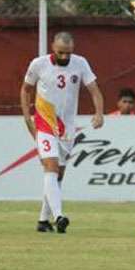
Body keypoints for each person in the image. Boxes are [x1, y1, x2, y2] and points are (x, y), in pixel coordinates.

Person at [20, 32, 104, 234]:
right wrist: (27, 118)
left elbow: (94, 90)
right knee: (51, 166)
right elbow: (25, 90)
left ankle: (42, 220)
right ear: (52, 47)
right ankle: (59, 216)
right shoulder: (38, 64)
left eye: (68, 53)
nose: (64, 57)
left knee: (58, 174)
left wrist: (99, 112)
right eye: (60, 53)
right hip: (44, 123)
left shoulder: (80, 63)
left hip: (67, 128)